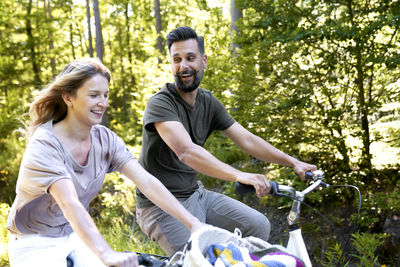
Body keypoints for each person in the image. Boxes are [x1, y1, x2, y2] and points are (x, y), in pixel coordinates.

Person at [136, 26, 317, 256]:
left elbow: (248, 140)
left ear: (203, 60)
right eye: (177, 59)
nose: (184, 66)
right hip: (160, 207)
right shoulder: (160, 103)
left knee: (258, 225)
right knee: (197, 258)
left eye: (190, 58)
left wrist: (293, 163)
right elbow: (186, 151)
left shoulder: (208, 102)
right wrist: (238, 175)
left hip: (195, 195)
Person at [6, 58, 204, 267]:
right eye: (93, 95)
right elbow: (69, 202)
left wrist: (194, 224)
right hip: (34, 242)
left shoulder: (105, 139)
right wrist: (106, 253)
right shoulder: (45, 144)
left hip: (74, 236)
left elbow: (146, 181)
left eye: (105, 95)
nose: (103, 103)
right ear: (68, 97)